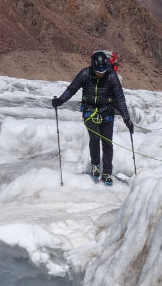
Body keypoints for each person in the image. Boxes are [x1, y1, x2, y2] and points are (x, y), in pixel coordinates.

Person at [53, 49, 134, 185]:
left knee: (107, 143)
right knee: (95, 137)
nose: (100, 74)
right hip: (90, 111)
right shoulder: (85, 73)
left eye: (102, 71)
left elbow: (120, 98)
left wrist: (126, 119)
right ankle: (95, 165)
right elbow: (72, 89)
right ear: (93, 66)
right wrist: (60, 100)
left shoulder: (111, 76)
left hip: (106, 112)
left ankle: (107, 173)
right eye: (98, 71)